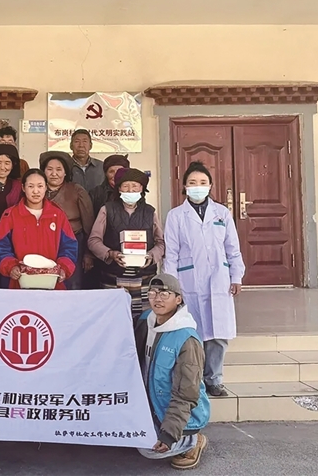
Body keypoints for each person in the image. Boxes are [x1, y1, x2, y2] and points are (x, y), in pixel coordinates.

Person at [164, 161, 245, 398]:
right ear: (184, 187)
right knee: (192, 334)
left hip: (219, 280)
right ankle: (194, 380)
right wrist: (171, 285)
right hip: (188, 281)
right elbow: (171, 253)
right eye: (192, 183)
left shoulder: (222, 213)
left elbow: (233, 248)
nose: (197, 187)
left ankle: (214, 379)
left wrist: (236, 275)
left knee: (218, 334)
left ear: (210, 186)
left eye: (202, 182)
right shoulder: (176, 216)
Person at [134, 274, 210, 470]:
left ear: (178, 299)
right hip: (152, 406)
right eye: (153, 293)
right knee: (127, 436)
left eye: (164, 294)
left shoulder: (186, 339)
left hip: (180, 412)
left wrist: (169, 434)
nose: (157, 299)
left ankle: (193, 440)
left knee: (148, 449)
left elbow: (187, 393)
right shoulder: (145, 321)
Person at [88, 167, 165, 318]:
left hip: (144, 279)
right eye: (125, 186)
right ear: (119, 189)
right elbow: (93, 240)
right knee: (114, 320)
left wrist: (151, 256)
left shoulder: (150, 212)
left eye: (135, 186)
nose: (130, 190)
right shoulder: (107, 209)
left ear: (142, 188)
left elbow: (161, 243)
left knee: (143, 322)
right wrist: (110, 253)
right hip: (113, 278)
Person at [0, 169, 78, 290]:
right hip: (19, 283)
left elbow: (69, 246)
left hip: (52, 283)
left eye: (40, 186)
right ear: (23, 188)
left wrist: (64, 268)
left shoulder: (58, 215)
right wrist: (10, 266)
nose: (35, 191)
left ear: (46, 187)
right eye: (30, 186)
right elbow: (0, 245)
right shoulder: (10, 215)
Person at [39, 151, 94, 290]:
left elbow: (89, 225)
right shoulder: (37, 191)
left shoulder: (76, 191)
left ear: (65, 172)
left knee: (71, 284)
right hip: (43, 245)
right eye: (49, 169)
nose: (54, 174)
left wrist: (88, 254)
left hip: (72, 245)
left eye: (59, 169)